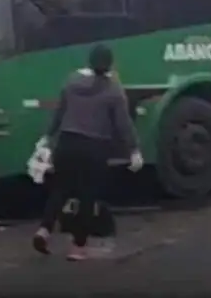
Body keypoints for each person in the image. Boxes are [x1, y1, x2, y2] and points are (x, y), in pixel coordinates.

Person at [32, 44, 144, 261]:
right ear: (109, 64)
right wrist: (134, 149)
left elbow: (59, 111)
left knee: (60, 190)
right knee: (87, 196)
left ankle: (44, 231)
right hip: (94, 147)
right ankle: (77, 247)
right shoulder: (113, 89)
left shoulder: (71, 81)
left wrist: (47, 137)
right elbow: (123, 123)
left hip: (66, 142)